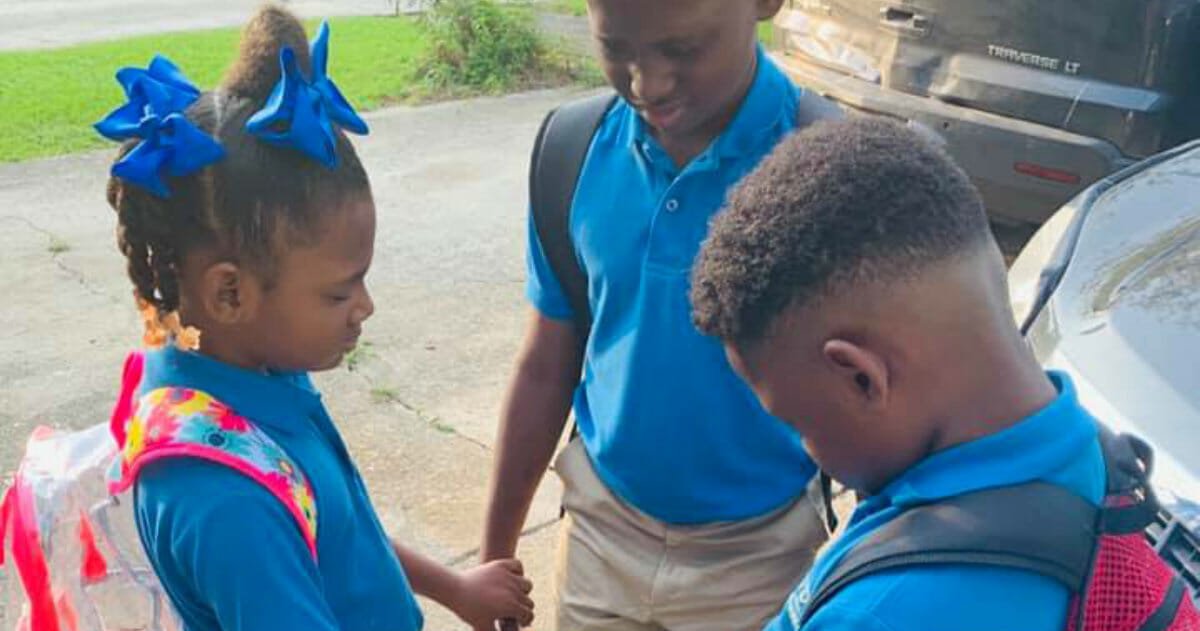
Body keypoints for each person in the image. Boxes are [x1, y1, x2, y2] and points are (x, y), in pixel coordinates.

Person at [97, 7, 534, 631]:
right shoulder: (225, 502)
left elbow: (337, 528)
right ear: (230, 294)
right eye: (338, 293)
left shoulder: (254, 368)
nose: (365, 307)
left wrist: (454, 588)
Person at [481, 0, 832, 628]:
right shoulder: (573, 151)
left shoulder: (831, 171)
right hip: (601, 536)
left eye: (683, 49)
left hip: (760, 559)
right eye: (615, 48)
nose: (647, 84)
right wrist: (494, 558)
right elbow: (545, 367)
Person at [690, 116, 1108, 631]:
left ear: (862, 378)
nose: (806, 450)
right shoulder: (1091, 458)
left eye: (799, 424)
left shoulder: (875, 615)